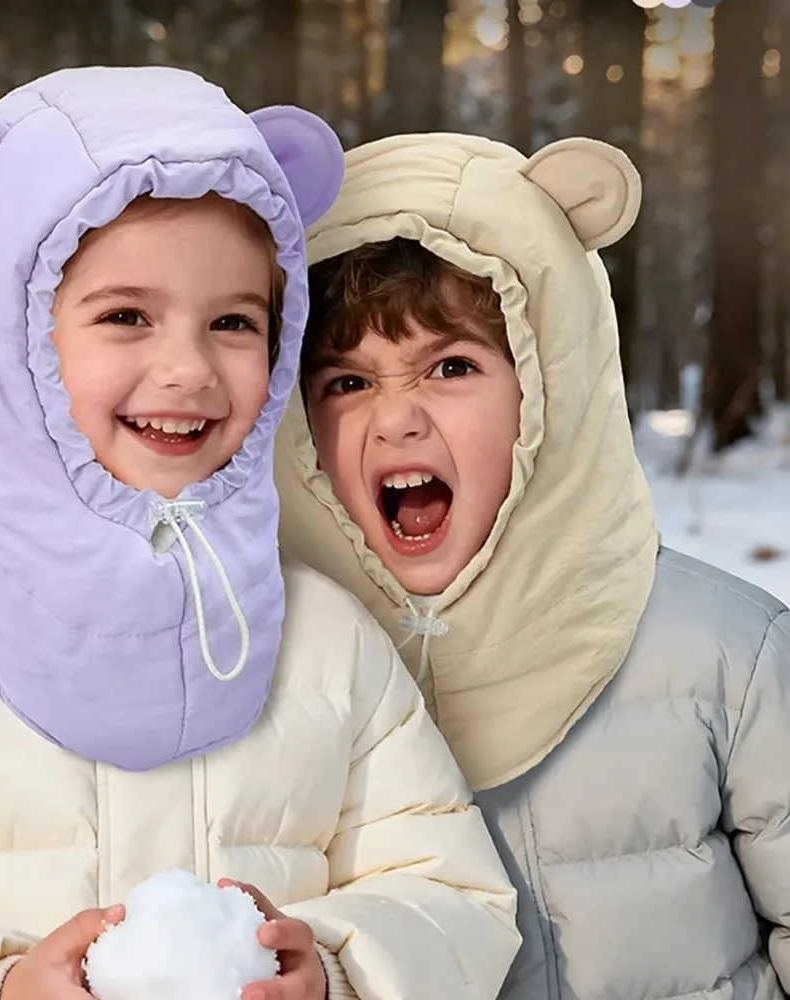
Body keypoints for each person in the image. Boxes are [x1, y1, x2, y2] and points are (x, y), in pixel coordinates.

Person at [0, 71, 522, 1000]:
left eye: (233, 322)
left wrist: (333, 966)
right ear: (2, 333)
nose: (188, 368)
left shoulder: (324, 640)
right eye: (125, 316)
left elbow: (451, 892)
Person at [275, 130, 790, 1000]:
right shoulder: (280, 674)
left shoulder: (728, 657)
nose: (396, 420)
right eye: (347, 382)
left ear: (551, 386)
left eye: (450, 365)